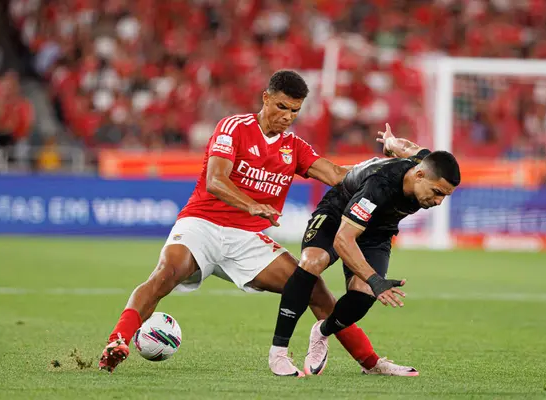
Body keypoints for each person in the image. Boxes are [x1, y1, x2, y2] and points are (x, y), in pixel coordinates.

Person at [99, 70, 405, 377]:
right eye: (282, 107)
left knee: (314, 289)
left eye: (295, 111)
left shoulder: (294, 147)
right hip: (202, 224)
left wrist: (386, 162)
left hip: (246, 238)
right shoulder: (233, 127)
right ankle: (117, 341)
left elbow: (338, 175)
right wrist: (252, 204)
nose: (287, 116)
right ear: (266, 98)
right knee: (164, 275)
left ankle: (371, 363)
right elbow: (215, 180)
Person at [270, 124, 461, 376]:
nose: (438, 202)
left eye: (444, 197)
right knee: (312, 262)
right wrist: (375, 279)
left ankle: (322, 332)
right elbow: (343, 239)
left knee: (363, 295)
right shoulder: (379, 187)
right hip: (339, 212)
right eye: (437, 193)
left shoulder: (423, 163)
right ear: (419, 176)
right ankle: (279, 352)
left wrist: (391, 142)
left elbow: (410, 148)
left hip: (379, 230)